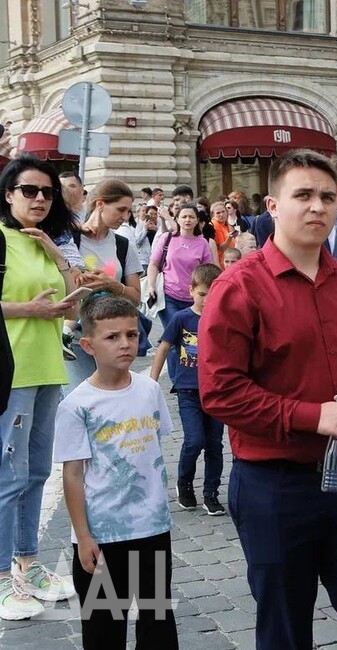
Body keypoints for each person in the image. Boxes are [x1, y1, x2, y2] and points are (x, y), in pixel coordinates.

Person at [198, 149, 337, 650]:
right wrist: (311, 416)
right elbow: (220, 392)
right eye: (303, 195)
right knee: (286, 628)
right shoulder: (238, 287)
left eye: (327, 197)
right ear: (272, 204)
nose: (317, 207)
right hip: (275, 486)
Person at [54, 296, 178, 649]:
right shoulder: (77, 404)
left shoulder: (149, 390)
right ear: (87, 345)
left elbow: (152, 449)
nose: (125, 344)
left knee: (157, 621)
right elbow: (73, 474)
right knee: (105, 627)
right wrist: (83, 535)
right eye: (112, 337)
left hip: (152, 529)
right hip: (103, 537)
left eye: (132, 334)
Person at [0, 155, 80, 620]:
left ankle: (27, 565)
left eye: (46, 192)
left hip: (49, 369)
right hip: (11, 371)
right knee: (8, 479)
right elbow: (32, 307)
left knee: (34, 474)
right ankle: (3, 579)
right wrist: (29, 310)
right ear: (8, 194)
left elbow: (70, 309)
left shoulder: (44, 241)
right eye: (28, 190)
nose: (39, 199)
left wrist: (54, 250)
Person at [150, 263, 225, 515]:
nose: (207, 299)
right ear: (191, 290)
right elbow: (163, 347)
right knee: (195, 440)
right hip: (188, 391)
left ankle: (211, 493)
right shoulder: (181, 318)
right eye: (203, 293)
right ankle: (185, 484)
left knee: (215, 444)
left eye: (213, 294)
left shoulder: (223, 319)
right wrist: (152, 381)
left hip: (216, 391)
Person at [64, 180, 143, 395]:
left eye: (128, 211)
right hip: (76, 334)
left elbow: (136, 297)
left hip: (113, 335)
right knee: (81, 397)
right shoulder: (69, 238)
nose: (126, 217)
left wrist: (113, 285)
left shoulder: (122, 244)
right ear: (100, 204)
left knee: (111, 397)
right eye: (121, 209)